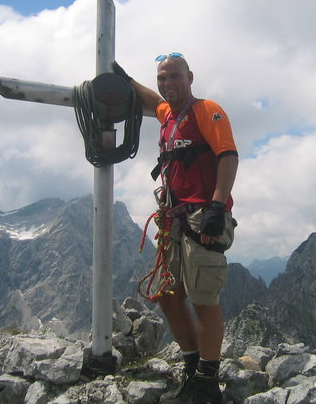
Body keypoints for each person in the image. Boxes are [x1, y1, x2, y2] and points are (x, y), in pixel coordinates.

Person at [113, 53, 238, 404]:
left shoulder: (206, 110)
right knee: (169, 296)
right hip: (174, 219)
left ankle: (208, 384)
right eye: (162, 78)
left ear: (190, 77)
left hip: (203, 218)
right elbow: (153, 102)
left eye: (175, 77)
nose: (168, 84)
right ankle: (192, 367)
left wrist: (217, 206)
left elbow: (228, 155)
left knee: (203, 298)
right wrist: (126, 81)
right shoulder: (168, 113)